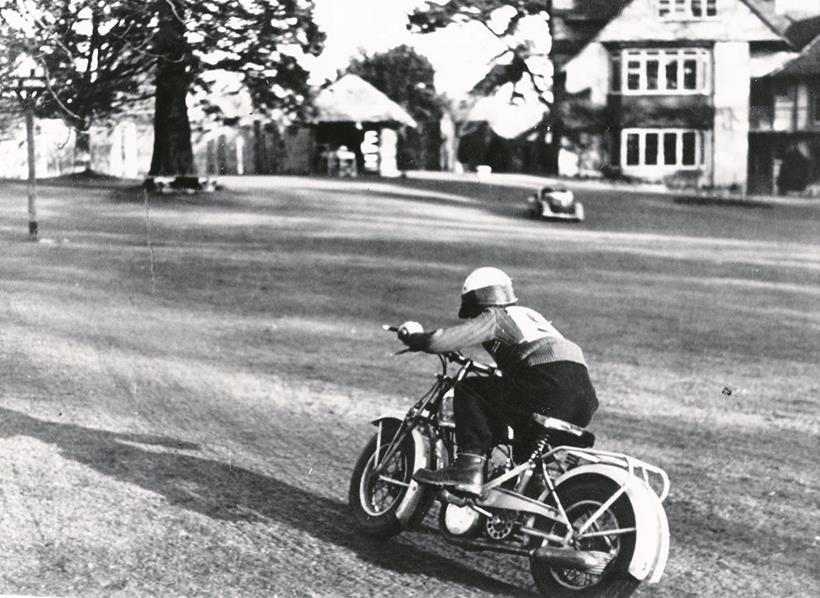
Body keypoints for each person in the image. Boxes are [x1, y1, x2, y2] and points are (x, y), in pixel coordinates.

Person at [398, 267, 598, 496]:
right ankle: (531, 492)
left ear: (478, 302)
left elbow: (441, 341)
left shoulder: (496, 316)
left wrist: (414, 338)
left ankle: (468, 469)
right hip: (582, 397)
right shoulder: (531, 316)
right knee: (526, 440)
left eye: (473, 312)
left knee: (470, 389)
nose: (474, 318)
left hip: (547, 387)